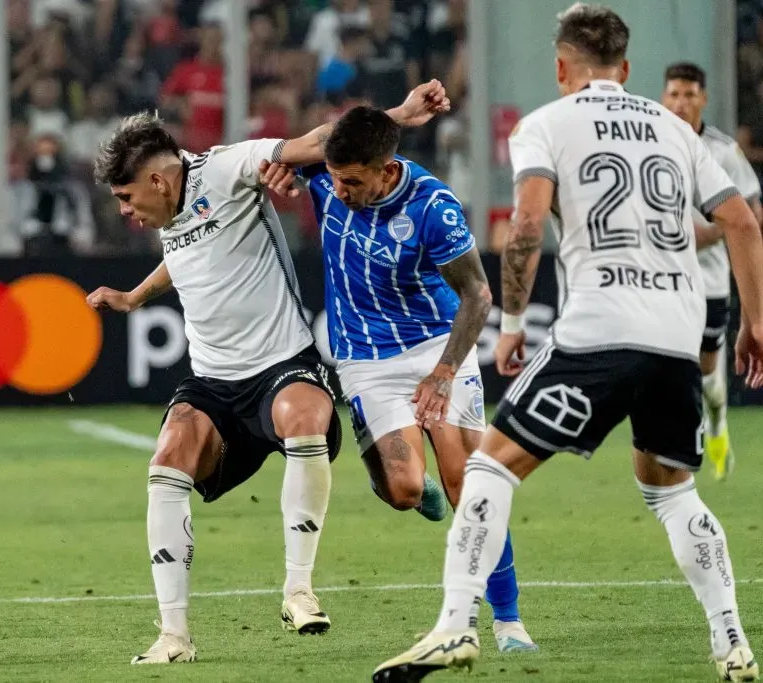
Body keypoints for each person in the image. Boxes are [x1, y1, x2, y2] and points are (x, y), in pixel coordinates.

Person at [371, 4, 763, 681]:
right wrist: (755, 324)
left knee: (490, 468)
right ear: (628, 69)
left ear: (561, 68)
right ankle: (732, 641)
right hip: (675, 335)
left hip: (599, 333)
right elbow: (742, 222)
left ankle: (453, 626)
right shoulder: (677, 128)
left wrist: (515, 324)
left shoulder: (544, 125)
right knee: (672, 490)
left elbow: (525, 223)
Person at [86, 81, 450, 666]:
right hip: (212, 381)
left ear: (157, 179)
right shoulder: (168, 208)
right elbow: (183, 255)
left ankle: (298, 591)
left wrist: (400, 115)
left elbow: (318, 141)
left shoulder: (229, 167)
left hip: (283, 365)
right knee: (168, 457)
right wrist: (135, 297)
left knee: (306, 417)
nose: (125, 211)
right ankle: (174, 636)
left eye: (127, 197)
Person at [258, 106, 538, 654]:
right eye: (334, 178)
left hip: (437, 345)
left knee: (470, 482)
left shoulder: (434, 207)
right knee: (405, 489)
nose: (338, 191)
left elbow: (478, 296)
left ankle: (508, 622)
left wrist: (443, 372)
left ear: (387, 171)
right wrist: (279, 165)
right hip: (366, 359)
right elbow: (293, 148)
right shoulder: (329, 175)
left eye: (353, 181)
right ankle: (412, 485)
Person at [660, 62, 763, 481]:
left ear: (702, 98)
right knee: (669, 363)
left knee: (708, 376)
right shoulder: (653, 143)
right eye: (674, 95)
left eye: (689, 95)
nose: (681, 103)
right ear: (664, 98)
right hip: (663, 278)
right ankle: (682, 438)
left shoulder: (722, 151)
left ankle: (717, 419)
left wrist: (701, 235)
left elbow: (750, 214)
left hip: (710, 281)